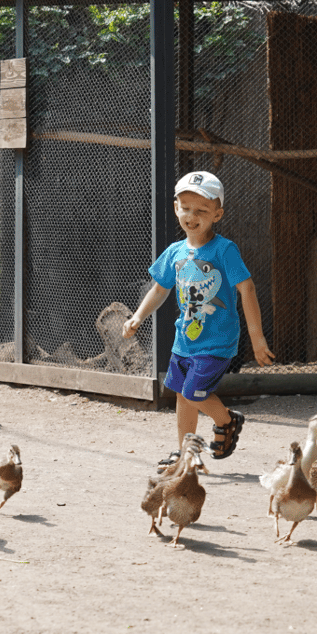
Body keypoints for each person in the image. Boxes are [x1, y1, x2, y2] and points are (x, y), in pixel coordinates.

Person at [122, 171, 276, 470]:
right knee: (183, 394)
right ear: (176, 208)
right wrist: (138, 316)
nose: (192, 216)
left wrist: (257, 338)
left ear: (217, 214)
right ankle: (186, 455)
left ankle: (227, 420)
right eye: (186, 208)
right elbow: (159, 288)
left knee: (194, 392)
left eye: (202, 210)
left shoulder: (224, 249)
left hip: (217, 339)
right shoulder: (175, 252)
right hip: (186, 338)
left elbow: (247, 288)